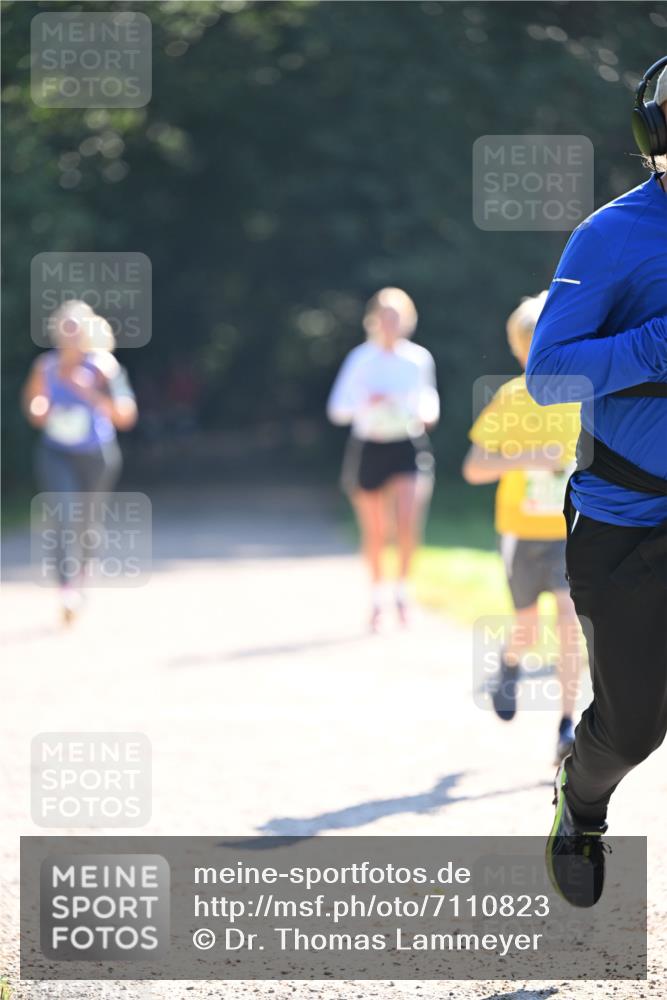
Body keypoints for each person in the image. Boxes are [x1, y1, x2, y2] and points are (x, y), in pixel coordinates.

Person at [526, 61, 667, 907]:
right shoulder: (610, 235)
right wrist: (655, 349)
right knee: (634, 726)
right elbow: (548, 376)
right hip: (625, 523)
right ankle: (581, 803)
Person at [463, 293, 583, 764]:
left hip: (569, 532)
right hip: (521, 531)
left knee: (571, 624)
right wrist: (527, 458)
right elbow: (474, 468)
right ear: (519, 352)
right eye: (532, 345)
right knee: (528, 628)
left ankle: (566, 725)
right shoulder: (512, 397)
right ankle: (510, 664)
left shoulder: (581, 394)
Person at [327, 287, 439, 630]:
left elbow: (429, 400)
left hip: (406, 446)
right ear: (374, 319)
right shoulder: (360, 359)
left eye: (397, 316)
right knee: (376, 531)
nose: (391, 323)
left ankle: (402, 593)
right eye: (385, 316)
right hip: (369, 447)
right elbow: (338, 410)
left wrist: (423, 413)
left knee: (406, 523)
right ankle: (377, 599)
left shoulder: (418, 358)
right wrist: (370, 404)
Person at [22, 300, 138, 623]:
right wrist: (38, 408)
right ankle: (66, 591)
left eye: (76, 331)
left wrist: (92, 394)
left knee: (86, 524)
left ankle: (82, 577)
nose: (70, 337)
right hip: (55, 452)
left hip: (96, 456)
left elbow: (126, 415)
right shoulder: (44, 367)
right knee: (62, 514)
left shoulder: (104, 367)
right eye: (65, 330)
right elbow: (33, 405)